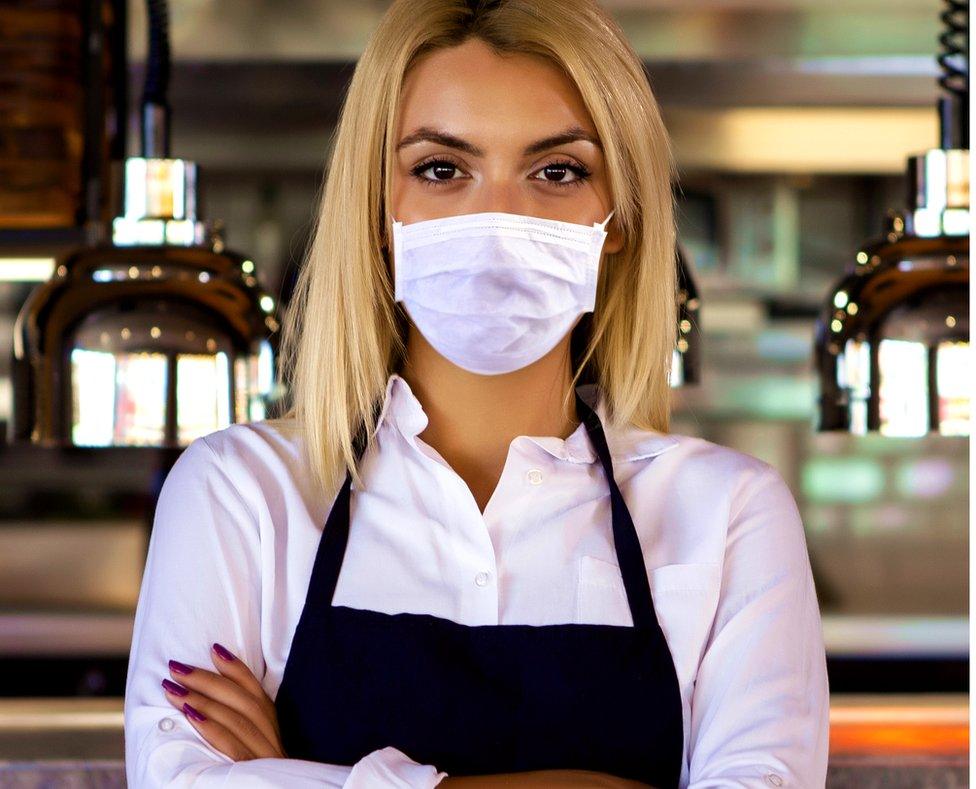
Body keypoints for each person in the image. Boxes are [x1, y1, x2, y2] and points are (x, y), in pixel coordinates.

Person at [123, 0, 830, 786]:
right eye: (441, 169)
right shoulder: (240, 491)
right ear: (379, 209)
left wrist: (316, 775)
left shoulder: (728, 514)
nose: (498, 217)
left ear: (619, 215)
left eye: (557, 171)